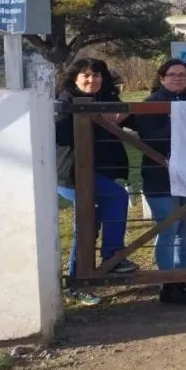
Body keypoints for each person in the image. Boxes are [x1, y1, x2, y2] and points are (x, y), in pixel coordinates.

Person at [55, 58, 137, 305]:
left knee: (94, 219)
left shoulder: (107, 96)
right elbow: (60, 133)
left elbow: (131, 118)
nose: (93, 80)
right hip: (72, 174)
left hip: (101, 171)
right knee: (97, 213)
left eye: (98, 75)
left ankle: (97, 269)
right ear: (74, 78)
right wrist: (93, 118)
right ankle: (103, 264)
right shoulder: (63, 101)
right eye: (86, 75)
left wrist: (122, 115)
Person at [135, 59, 186, 305]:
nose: (178, 79)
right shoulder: (149, 105)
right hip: (159, 176)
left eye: (182, 75)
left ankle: (182, 279)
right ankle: (167, 283)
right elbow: (150, 138)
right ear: (162, 78)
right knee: (167, 228)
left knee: (183, 229)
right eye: (172, 75)